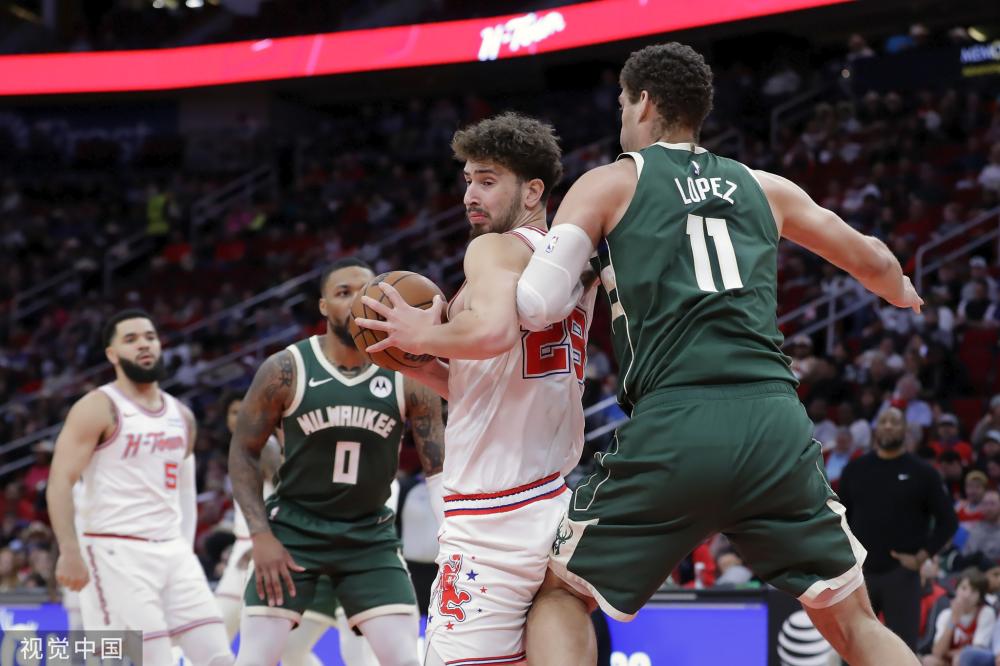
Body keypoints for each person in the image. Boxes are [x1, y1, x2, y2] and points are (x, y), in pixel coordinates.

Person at [512, 42, 925, 665]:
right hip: (773, 423)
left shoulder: (608, 183)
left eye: (624, 104)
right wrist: (902, 291)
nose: (621, 116)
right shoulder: (765, 187)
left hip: (677, 420)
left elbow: (537, 302)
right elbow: (876, 261)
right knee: (853, 622)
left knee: (561, 594)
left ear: (644, 102)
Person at [354, 112, 596, 666]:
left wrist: (423, 331)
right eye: (467, 180)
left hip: (491, 515)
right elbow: (494, 380)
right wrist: (424, 362)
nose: (471, 194)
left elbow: (490, 333)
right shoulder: (568, 262)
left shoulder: (493, 250)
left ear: (533, 190)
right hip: (552, 498)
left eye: (488, 181)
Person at [228, 258, 445, 666]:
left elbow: (437, 468)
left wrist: (451, 536)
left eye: (364, 292)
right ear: (324, 306)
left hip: (369, 537)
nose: (355, 301)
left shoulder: (408, 373)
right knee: (255, 659)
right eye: (343, 293)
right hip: (293, 530)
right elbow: (243, 451)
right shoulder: (285, 369)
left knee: (407, 660)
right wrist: (260, 535)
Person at [47, 310, 234, 666]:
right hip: (114, 552)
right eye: (130, 339)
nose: (144, 344)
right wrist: (69, 549)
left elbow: (183, 497)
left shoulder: (182, 416)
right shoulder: (98, 407)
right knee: (154, 660)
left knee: (219, 657)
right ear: (112, 354)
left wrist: (185, 549)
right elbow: (59, 482)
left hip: (173, 554)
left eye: (149, 337)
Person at [839, 407, 959, 650]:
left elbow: (949, 521)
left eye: (895, 421)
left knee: (903, 651)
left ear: (906, 429)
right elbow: (840, 518)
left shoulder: (923, 473)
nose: (888, 426)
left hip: (901, 574)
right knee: (854, 650)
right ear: (875, 429)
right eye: (883, 421)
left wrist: (921, 557)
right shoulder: (856, 469)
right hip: (860, 575)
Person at [215, 396, 281, 640]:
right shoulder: (243, 445)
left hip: (263, 546)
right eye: (233, 411)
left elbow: (284, 497)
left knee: (221, 631)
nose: (239, 416)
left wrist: (263, 542)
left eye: (245, 409)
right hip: (245, 544)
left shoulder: (265, 446)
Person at [923, 569, 995, 666]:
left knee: (960, 659)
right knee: (929, 661)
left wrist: (952, 654)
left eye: (974, 591)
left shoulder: (986, 613)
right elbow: (937, 652)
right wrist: (952, 621)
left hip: (971, 662)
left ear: (980, 597)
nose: (967, 595)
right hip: (949, 661)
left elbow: (976, 652)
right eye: (964, 588)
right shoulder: (946, 614)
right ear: (956, 589)